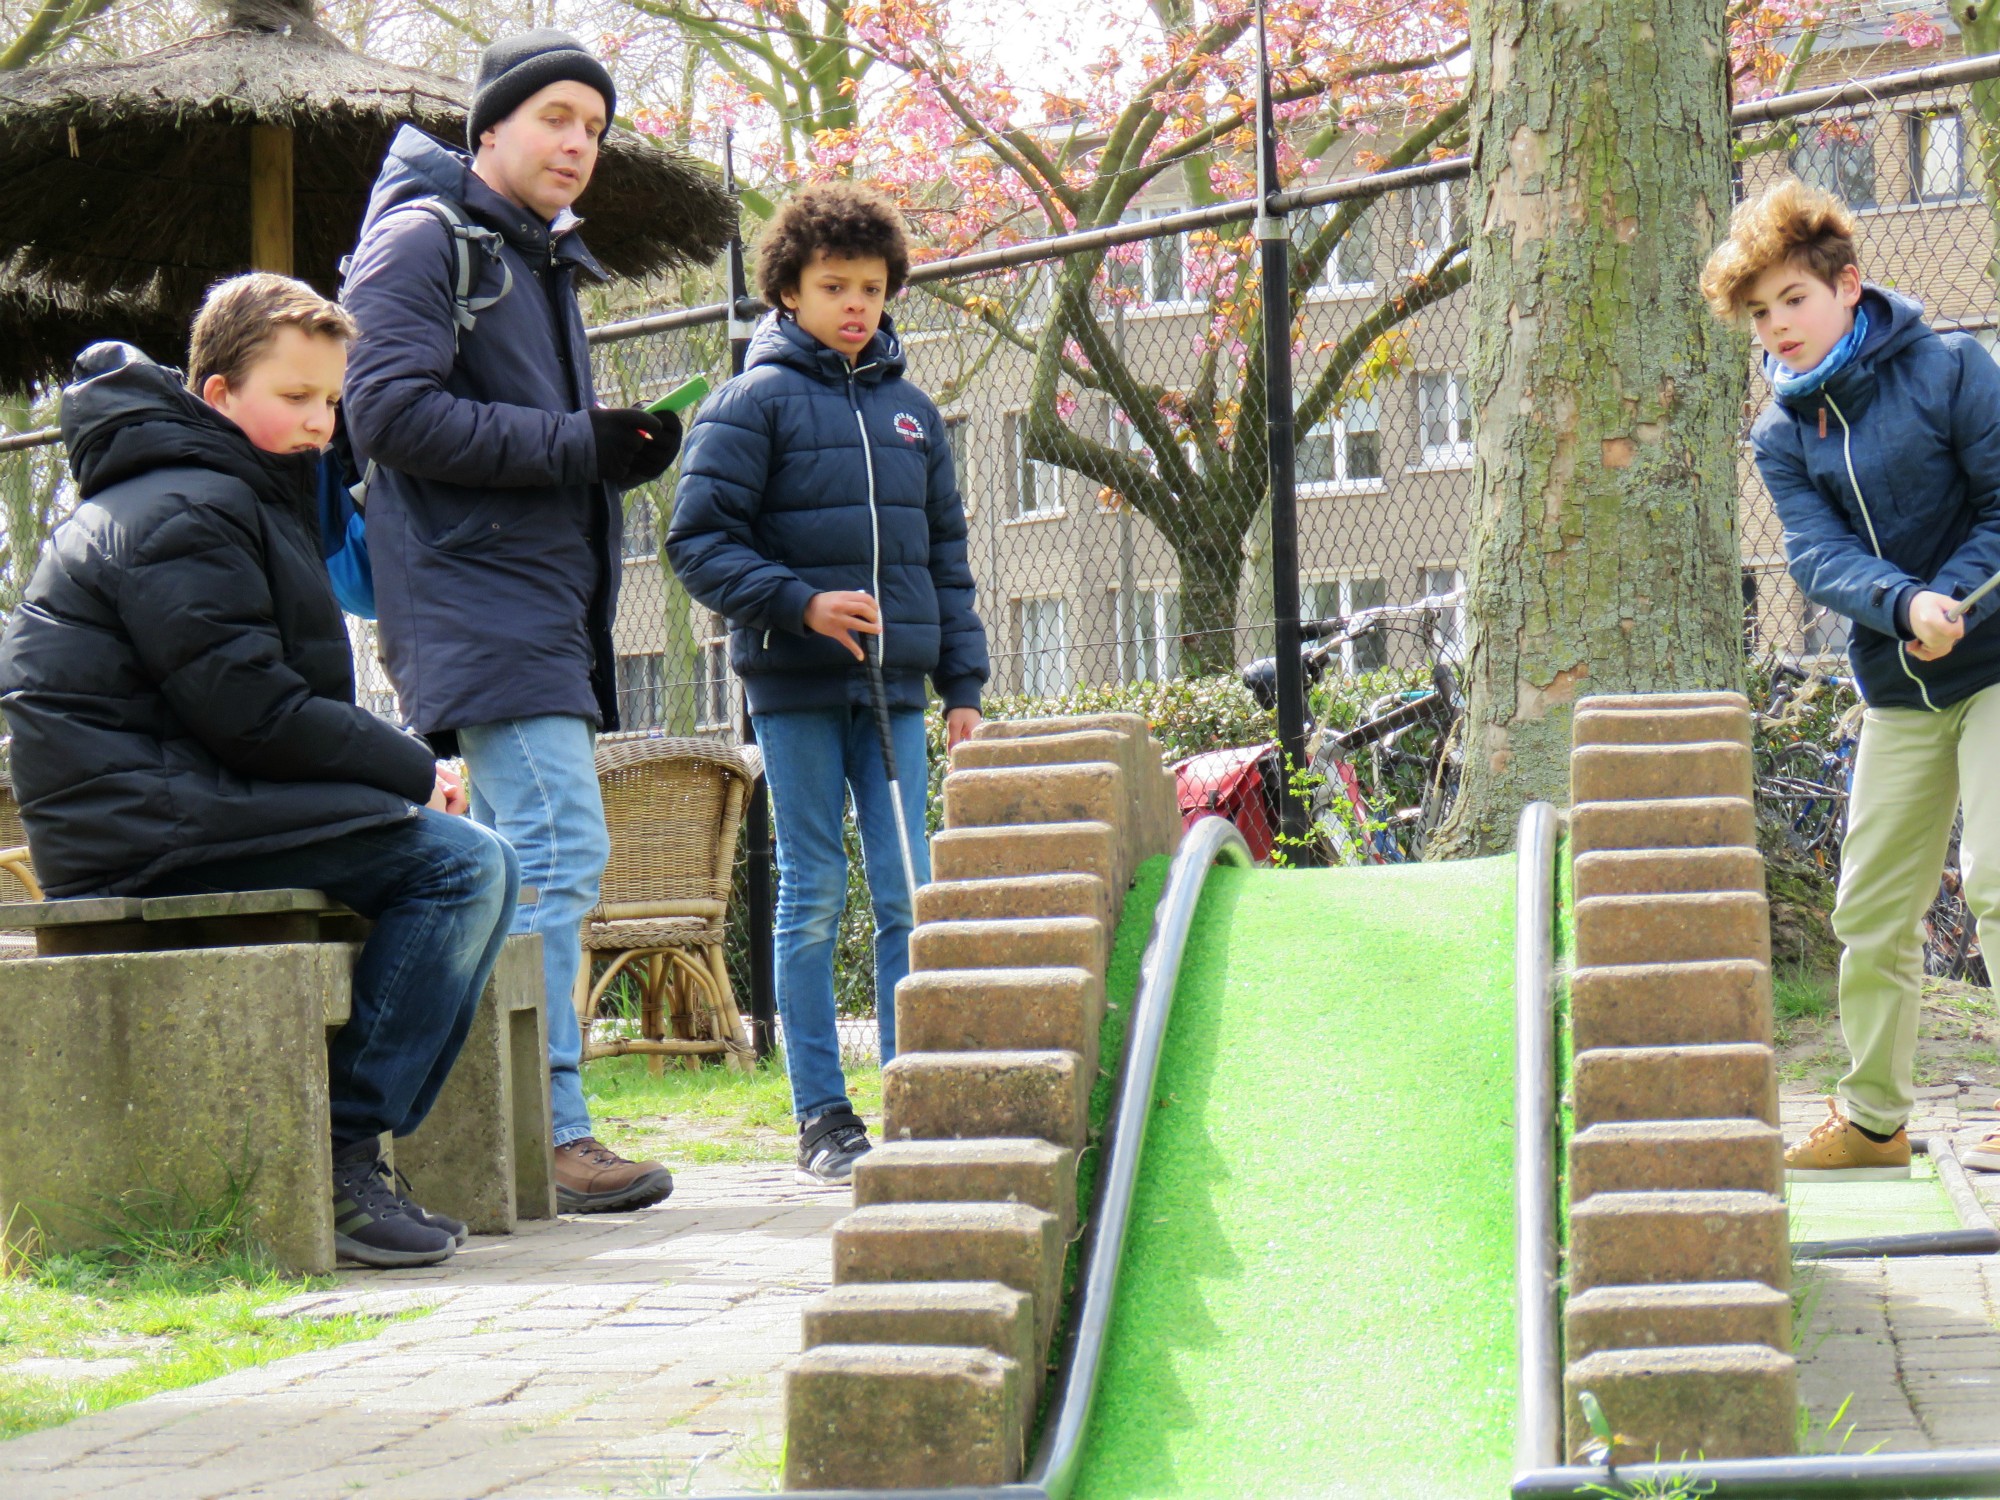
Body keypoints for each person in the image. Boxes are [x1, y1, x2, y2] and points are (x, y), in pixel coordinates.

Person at [0, 274, 521, 1267]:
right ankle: (336, 1157)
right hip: (145, 825)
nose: (321, 422)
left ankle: (352, 1151)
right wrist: (407, 770)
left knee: (470, 861)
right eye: (294, 397)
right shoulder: (185, 508)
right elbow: (250, 710)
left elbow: (251, 712)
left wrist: (388, 779)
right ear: (215, 394)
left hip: (176, 801)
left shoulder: (215, 492)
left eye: (331, 400)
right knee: (459, 867)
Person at [339, 29, 678, 1213]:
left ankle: (489, 1127)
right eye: (554, 118)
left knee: (508, 863)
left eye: (594, 124)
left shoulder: (536, 260)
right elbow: (382, 414)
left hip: (531, 604)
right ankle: (549, 1126)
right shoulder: (425, 240)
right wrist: (575, 447)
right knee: (553, 850)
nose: (578, 142)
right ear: (488, 129)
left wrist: (604, 454)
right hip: (474, 602)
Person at [667, 183, 990, 1185]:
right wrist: (799, 604)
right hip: (797, 689)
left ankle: (914, 1095)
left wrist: (963, 685)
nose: (854, 303)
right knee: (811, 893)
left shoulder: (912, 415)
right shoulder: (749, 402)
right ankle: (821, 1114)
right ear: (788, 292)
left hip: (896, 695)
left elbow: (946, 556)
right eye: (832, 285)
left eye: (870, 286)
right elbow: (698, 542)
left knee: (908, 893)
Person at [1702, 177, 2000, 1177]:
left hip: (1994, 662)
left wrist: (1948, 598)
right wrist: (1901, 607)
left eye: (1792, 298)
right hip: (1897, 687)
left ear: (1846, 285)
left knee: (1995, 877)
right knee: (1868, 911)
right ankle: (1874, 1122)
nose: (1775, 325)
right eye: (1758, 312)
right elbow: (1814, 557)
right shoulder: (1782, 434)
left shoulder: (1953, 369)